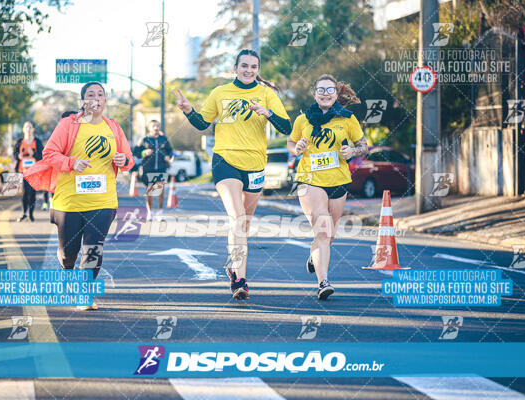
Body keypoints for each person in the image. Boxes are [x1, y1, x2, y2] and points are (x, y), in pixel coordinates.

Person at [172, 49, 291, 300]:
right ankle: (240, 280)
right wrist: (187, 110)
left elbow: (287, 126)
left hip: (256, 164)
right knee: (237, 217)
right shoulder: (220, 92)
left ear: (258, 70)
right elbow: (203, 124)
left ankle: (233, 264)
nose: (249, 70)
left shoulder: (267, 94)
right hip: (225, 160)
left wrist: (267, 113)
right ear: (235, 68)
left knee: (244, 223)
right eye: (244, 66)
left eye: (254, 67)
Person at [24, 82, 134, 310]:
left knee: (94, 247)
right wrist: (72, 162)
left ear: (105, 101)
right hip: (70, 200)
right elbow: (49, 153)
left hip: (103, 200)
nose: (96, 98)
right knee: (68, 254)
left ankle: (84, 294)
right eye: (90, 95)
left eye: (100, 94)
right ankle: (66, 269)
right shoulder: (68, 124)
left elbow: (128, 158)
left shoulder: (113, 127)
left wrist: (124, 161)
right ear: (82, 102)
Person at [287, 74, 368, 300]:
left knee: (328, 235)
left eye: (329, 90)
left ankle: (315, 257)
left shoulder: (347, 118)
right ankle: (323, 282)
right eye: (321, 90)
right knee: (322, 229)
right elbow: (291, 143)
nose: (325, 93)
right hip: (309, 179)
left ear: (336, 94)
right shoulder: (302, 120)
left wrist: (353, 151)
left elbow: (364, 146)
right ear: (314, 94)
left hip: (339, 180)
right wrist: (297, 148)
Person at [140, 119, 173, 222]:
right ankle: (150, 212)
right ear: (149, 127)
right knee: (150, 191)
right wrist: (145, 152)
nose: (156, 128)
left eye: (157, 126)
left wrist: (168, 156)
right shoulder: (144, 140)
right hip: (148, 168)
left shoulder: (164, 139)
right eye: (154, 126)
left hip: (161, 167)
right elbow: (136, 152)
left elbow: (170, 151)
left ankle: (159, 212)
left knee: (160, 190)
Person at [14, 121, 44, 222]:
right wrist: (18, 156)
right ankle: (24, 213)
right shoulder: (19, 141)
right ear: (23, 129)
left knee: (32, 192)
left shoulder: (37, 142)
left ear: (33, 129)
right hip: (23, 171)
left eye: (30, 127)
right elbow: (15, 153)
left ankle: (31, 213)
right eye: (26, 127)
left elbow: (41, 156)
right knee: (25, 191)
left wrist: (34, 154)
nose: (28, 129)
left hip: (34, 172)